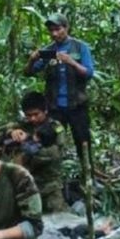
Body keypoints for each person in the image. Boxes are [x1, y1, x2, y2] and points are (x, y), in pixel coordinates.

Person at [24, 13, 95, 165]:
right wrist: (32, 60)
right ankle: (54, 177)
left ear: (66, 28)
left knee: (83, 142)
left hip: (77, 106)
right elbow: (29, 72)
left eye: (58, 29)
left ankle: (88, 178)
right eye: (51, 30)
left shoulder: (80, 47)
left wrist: (72, 62)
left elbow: (88, 73)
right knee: (50, 142)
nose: (54, 33)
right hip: (55, 108)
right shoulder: (49, 51)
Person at [0, 92, 67, 213]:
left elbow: (54, 154)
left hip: (48, 187)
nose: (32, 118)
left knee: (60, 222)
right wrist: (11, 132)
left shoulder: (55, 128)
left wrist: (28, 141)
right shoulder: (22, 125)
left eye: (36, 114)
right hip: (23, 186)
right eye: (28, 115)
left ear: (45, 111)